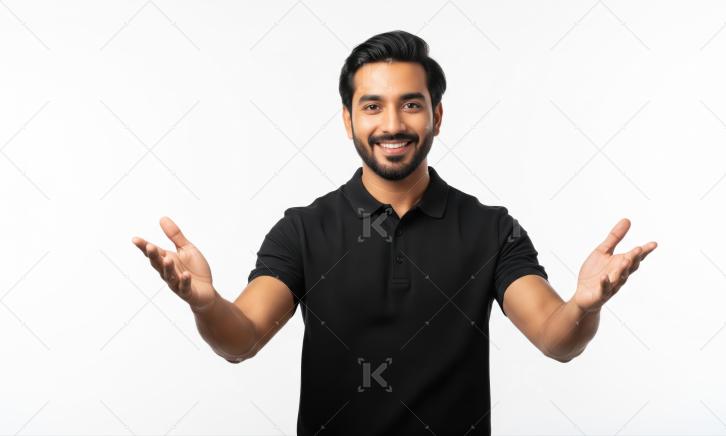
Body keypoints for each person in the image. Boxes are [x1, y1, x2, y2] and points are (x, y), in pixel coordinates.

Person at [131, 30, 657, 436]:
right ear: (348, 120)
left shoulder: (492, 229)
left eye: (410, 104)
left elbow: (555, 338)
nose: (392, 124)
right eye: (372, 106)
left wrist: (584, 306)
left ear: (436, 116)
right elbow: (242, 339)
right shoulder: (303, 230)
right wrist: (206, 305)